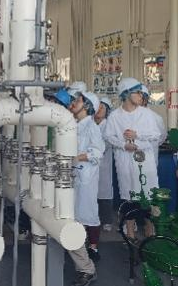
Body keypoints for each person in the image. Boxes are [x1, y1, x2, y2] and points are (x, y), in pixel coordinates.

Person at [104, 77, 162, 240]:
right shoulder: (115, 116)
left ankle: (150, 229)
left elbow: (156, 135)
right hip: (125, 161)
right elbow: (108, 136)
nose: (141, 96)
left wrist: (137, 135)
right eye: (137, 92)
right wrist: (124, 145)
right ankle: (130, 232)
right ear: (126, 94)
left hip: (145, 160)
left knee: (148, 195)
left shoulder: (146, 114)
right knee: (129, 197)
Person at [69, 90, 104, 264]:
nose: (74, 103)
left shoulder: (92, 126)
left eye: (79, 100)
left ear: (87, 105)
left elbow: (97, 153)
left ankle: (93, 247)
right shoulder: (75, 124)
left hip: (87, 176)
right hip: (76, 173)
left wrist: (77, 157)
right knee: (76, 211)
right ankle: (78, 245)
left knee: (88, 211)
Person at [95, 96, 114, 232]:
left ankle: (107, 220)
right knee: (91, 193)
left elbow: (105, 145)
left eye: (102, 107)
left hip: (103, 165)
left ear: (107, 111)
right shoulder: (91, 124)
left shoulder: (108, 126)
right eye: (97, 107)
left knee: (104, 193)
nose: (99, 109)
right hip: (90, 164)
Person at [140, 84, 167, 163]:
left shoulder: (156, 118)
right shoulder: (128, 117)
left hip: (150, 162)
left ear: (145, 100)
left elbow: (161, 138)